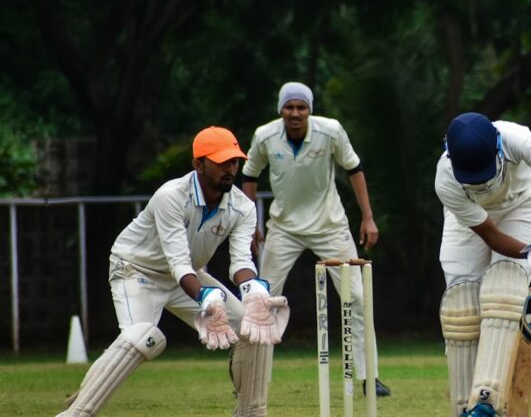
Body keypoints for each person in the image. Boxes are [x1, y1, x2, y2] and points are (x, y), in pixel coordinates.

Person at [58, 126, 290, 417]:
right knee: (143, 336)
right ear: (198, 164)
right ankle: (77, 413)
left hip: (187, 275)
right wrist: (207, 298)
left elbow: (241, 262)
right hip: (136, 268)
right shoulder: (170, 196)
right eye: (221, 162)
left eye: (234, 161)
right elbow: (177, 261)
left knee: (253, 326)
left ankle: (251, 412)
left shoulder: (242, 206)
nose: (230, 168)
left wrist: (254, 291)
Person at [241, 81, 391, 399]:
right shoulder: (264, 136)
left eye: (301, 107)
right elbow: (249, 175)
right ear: (280, 110)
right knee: (261, 300)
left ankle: (369, 377)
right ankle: (252, 378)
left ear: (310, 110)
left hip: (330, 225)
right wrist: (249, 220)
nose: (295, 114)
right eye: (289, 107)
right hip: (283, 227)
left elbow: (354, 168)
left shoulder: (330, 131)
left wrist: (367, 217)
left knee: (357, 297)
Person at [435, 112, 531, 416]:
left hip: (522, 202)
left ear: (498, 148)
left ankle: (487, 402)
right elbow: (490, 235)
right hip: (473, 221)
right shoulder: (445, 179)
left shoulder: (514, 138)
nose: (481, 180)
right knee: (460, 306)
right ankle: (464, 408)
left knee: (504, 291)